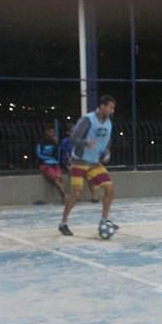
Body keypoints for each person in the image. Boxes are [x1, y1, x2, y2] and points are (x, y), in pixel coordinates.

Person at [59, 95, 118, 236]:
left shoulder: (109, 123)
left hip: (94, 162)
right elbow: (73, 138)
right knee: (76, 193)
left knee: (109, 189)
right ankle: (63, 223)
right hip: (79, 161)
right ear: (102, 106)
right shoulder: (88, 120)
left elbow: (106, 141)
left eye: (113, 108)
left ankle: (104, 220)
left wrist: (106, 152)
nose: (112, 110)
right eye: (110, 107)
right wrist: (86, 143)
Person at [60, 124, 99, 203]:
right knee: (73, 175)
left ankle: (94, 195)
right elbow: (63, 155)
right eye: (72, 131)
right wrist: (67, 165)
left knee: (89, 176)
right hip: (72, 164)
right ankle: (72, 196)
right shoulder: (65, 142)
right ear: (68, 133)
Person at [36, 125, 66, 199]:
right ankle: (65, 194)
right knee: (55, 178)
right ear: (46, 132)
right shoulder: (41, 142)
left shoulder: (54, 141)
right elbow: (39, 154)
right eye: (50, 132)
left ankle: (64, 194)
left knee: (59, 177)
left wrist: (56, 143)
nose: (52, 133)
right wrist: (48, 159)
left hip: (55, 163)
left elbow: (58, 154)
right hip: (45, 164)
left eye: (53, 132)